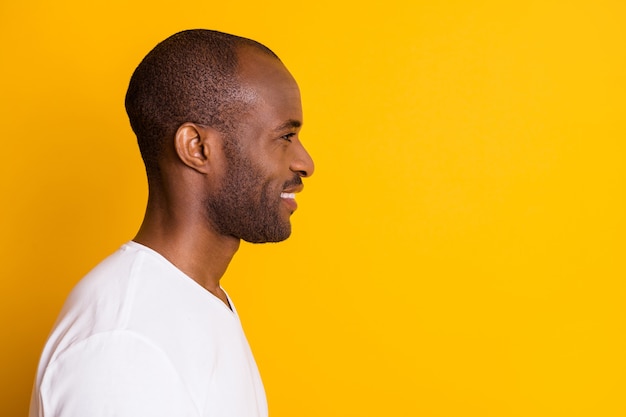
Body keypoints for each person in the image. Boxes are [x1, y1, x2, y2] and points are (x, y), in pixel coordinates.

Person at [29, 29, 314, 417]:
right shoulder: (124, 344)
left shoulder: (195, 299)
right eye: (285, 136)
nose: (305, 163)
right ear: (196, 148)